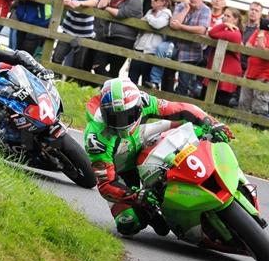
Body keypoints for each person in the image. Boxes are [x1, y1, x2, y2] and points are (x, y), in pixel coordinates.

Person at [83, 78, 234, 237]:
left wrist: (213, 124)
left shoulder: (143, 100)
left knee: (190, 124)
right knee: (128, 224)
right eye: (114, 117)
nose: (121, 123)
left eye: (128, 115)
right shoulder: (96, 138)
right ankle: (151, 210)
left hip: (142, 137)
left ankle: (203, 163)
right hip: (119, 170)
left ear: (138, 107)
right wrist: (136, 196)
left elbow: (181, 108)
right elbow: (106, 184)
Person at [91, 0, 143, 77]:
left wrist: (107, 8)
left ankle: (111, 90)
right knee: (97, 65)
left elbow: (121, 13)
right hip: (108, 36)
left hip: (124, 39)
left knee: (114, 70)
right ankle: (108, 86)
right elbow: (100, 5)